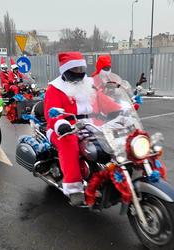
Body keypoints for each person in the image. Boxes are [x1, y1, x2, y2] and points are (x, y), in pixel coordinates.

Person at [44, 52, 121, 206]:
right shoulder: (55, 88)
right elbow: (51, 113)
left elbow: (102, 100)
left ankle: (110, 174)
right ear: (66, 70)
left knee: (112, 135)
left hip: (88, 123)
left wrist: (119, 110)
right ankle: (74, 188)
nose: (79, 72)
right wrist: (61, 124)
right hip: (62, 127)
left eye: (81, 68)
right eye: (75, 69)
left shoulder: (88, 84)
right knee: (69, 141)